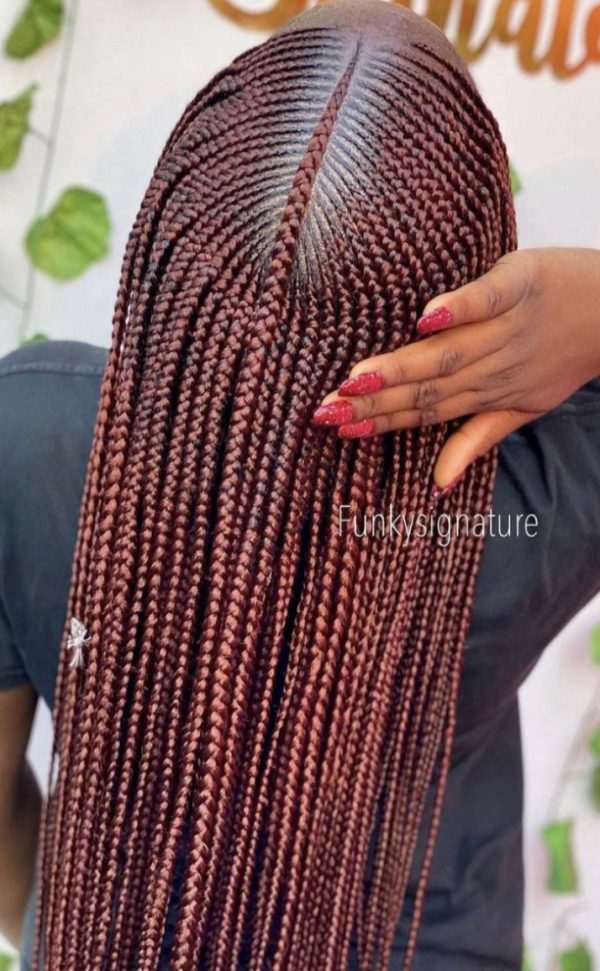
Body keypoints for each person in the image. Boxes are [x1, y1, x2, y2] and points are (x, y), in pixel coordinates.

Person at [0, 4, 599, 970]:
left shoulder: (29, 437)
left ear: (172, 245)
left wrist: (64, 937)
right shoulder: (545, 492)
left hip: (110, 931)